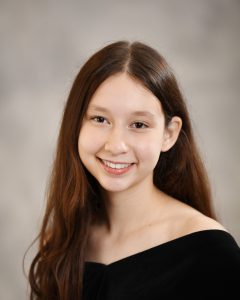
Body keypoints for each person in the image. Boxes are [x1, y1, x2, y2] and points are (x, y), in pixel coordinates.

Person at [28, 41, 240, 300]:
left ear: (169, 134)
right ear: (76, 124)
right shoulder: (61, 241)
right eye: (100, 119)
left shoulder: (210, 252)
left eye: (139, 124)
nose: (116, 145)